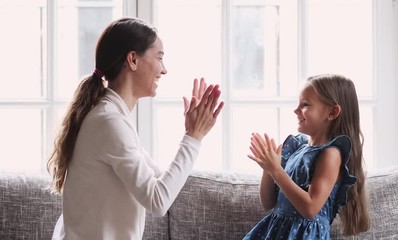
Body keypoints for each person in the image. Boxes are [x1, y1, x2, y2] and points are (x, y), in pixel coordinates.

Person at [47, 17, 224, 239]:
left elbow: (161, 182)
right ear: (133, 59)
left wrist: (192, 132)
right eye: (159, 57)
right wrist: (193, 137)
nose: (164, 70)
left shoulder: (113, 116)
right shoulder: (109, 122)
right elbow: (158, 201)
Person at [244, 74, 370, 239]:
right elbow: (268, 203)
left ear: (332, 112)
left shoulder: (330, 154)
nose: (296, 110)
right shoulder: (298, 148)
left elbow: (310, 208)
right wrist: (268, 168)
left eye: (305, 105)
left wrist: (276, 171)